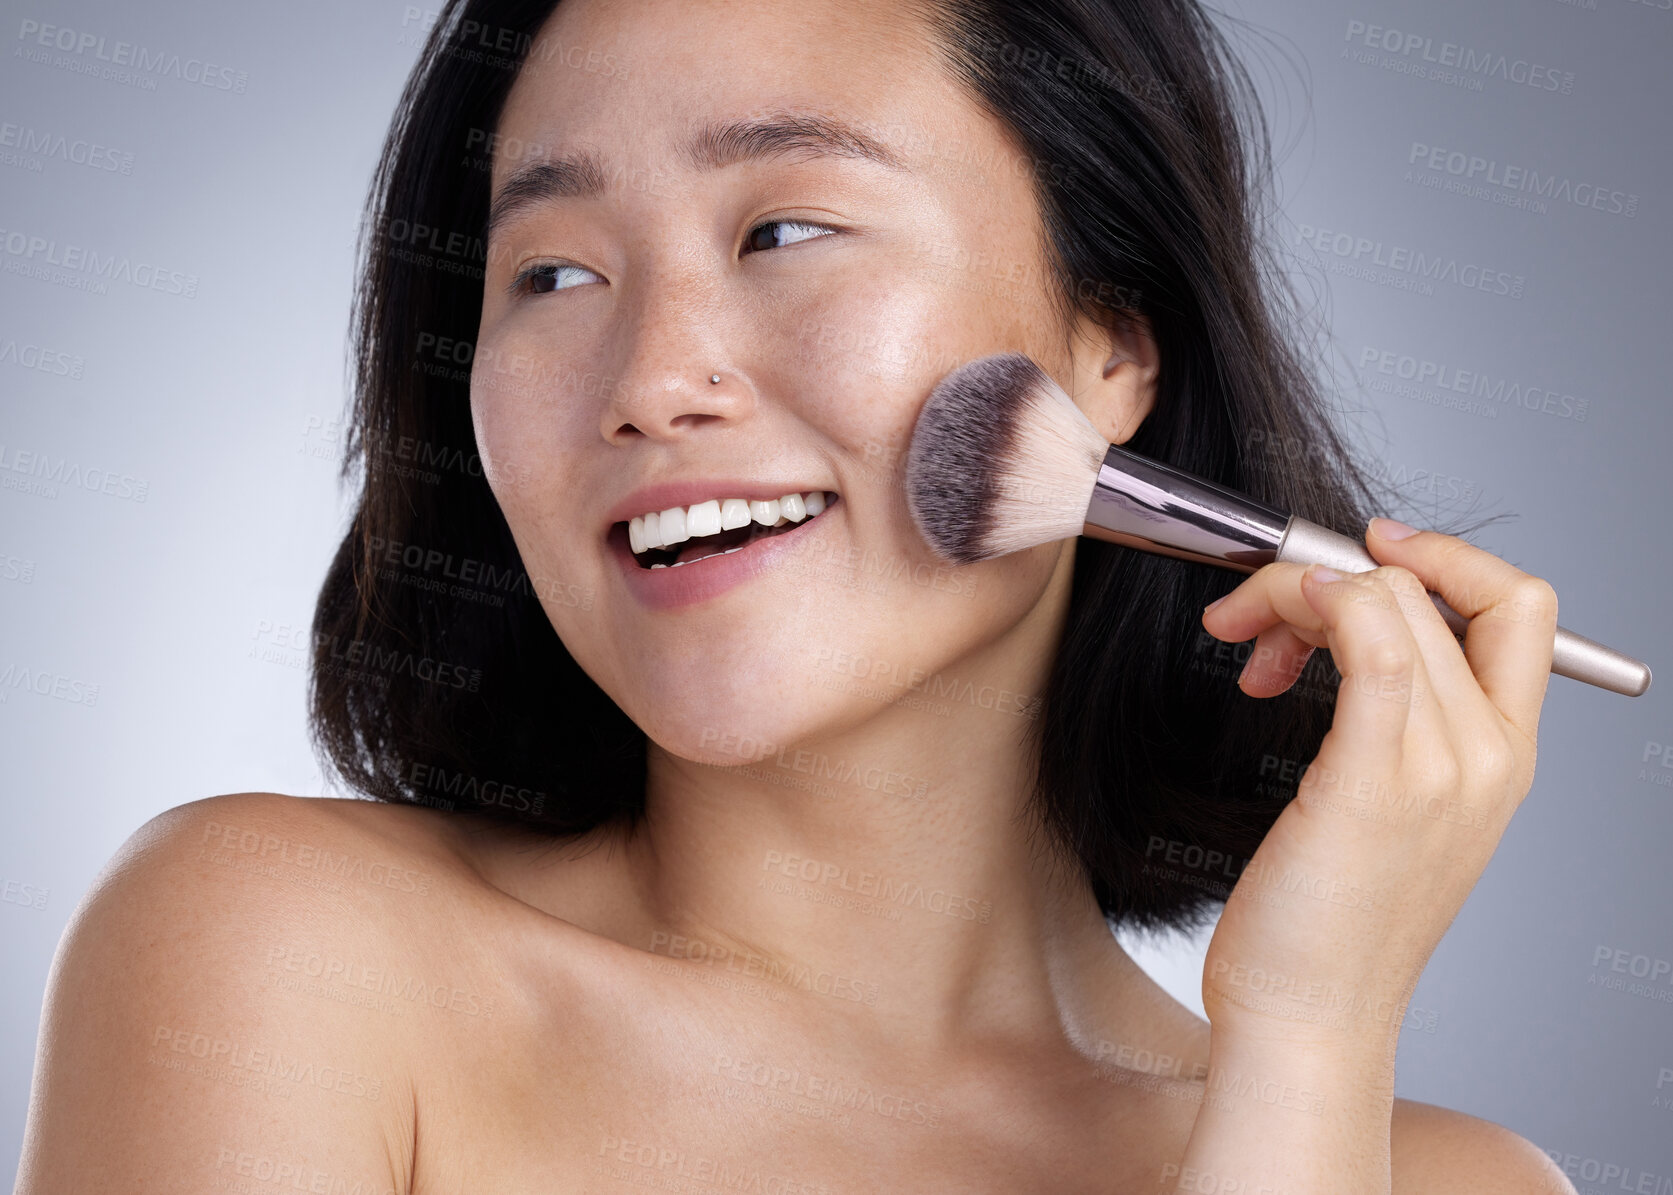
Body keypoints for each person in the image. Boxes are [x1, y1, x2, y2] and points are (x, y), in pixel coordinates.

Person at [16, 0, 1577, 1190]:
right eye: (551, 272)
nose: (651, 382)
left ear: (1109, 346)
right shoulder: (280, 958)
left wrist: (1303, 1050)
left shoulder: (1443, 1181)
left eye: (784, 228)